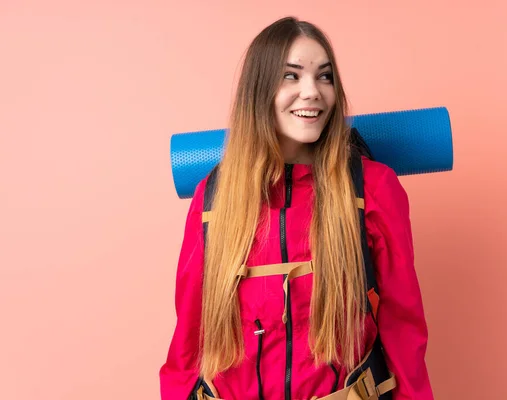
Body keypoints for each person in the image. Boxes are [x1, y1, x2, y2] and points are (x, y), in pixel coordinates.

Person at [160, 16, 434, 400]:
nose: (312, 92)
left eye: (325, 77)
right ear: (259, 90)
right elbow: (189, 343)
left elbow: (403, 328)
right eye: (291, 76)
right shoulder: (213, 199)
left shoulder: (374, 188)